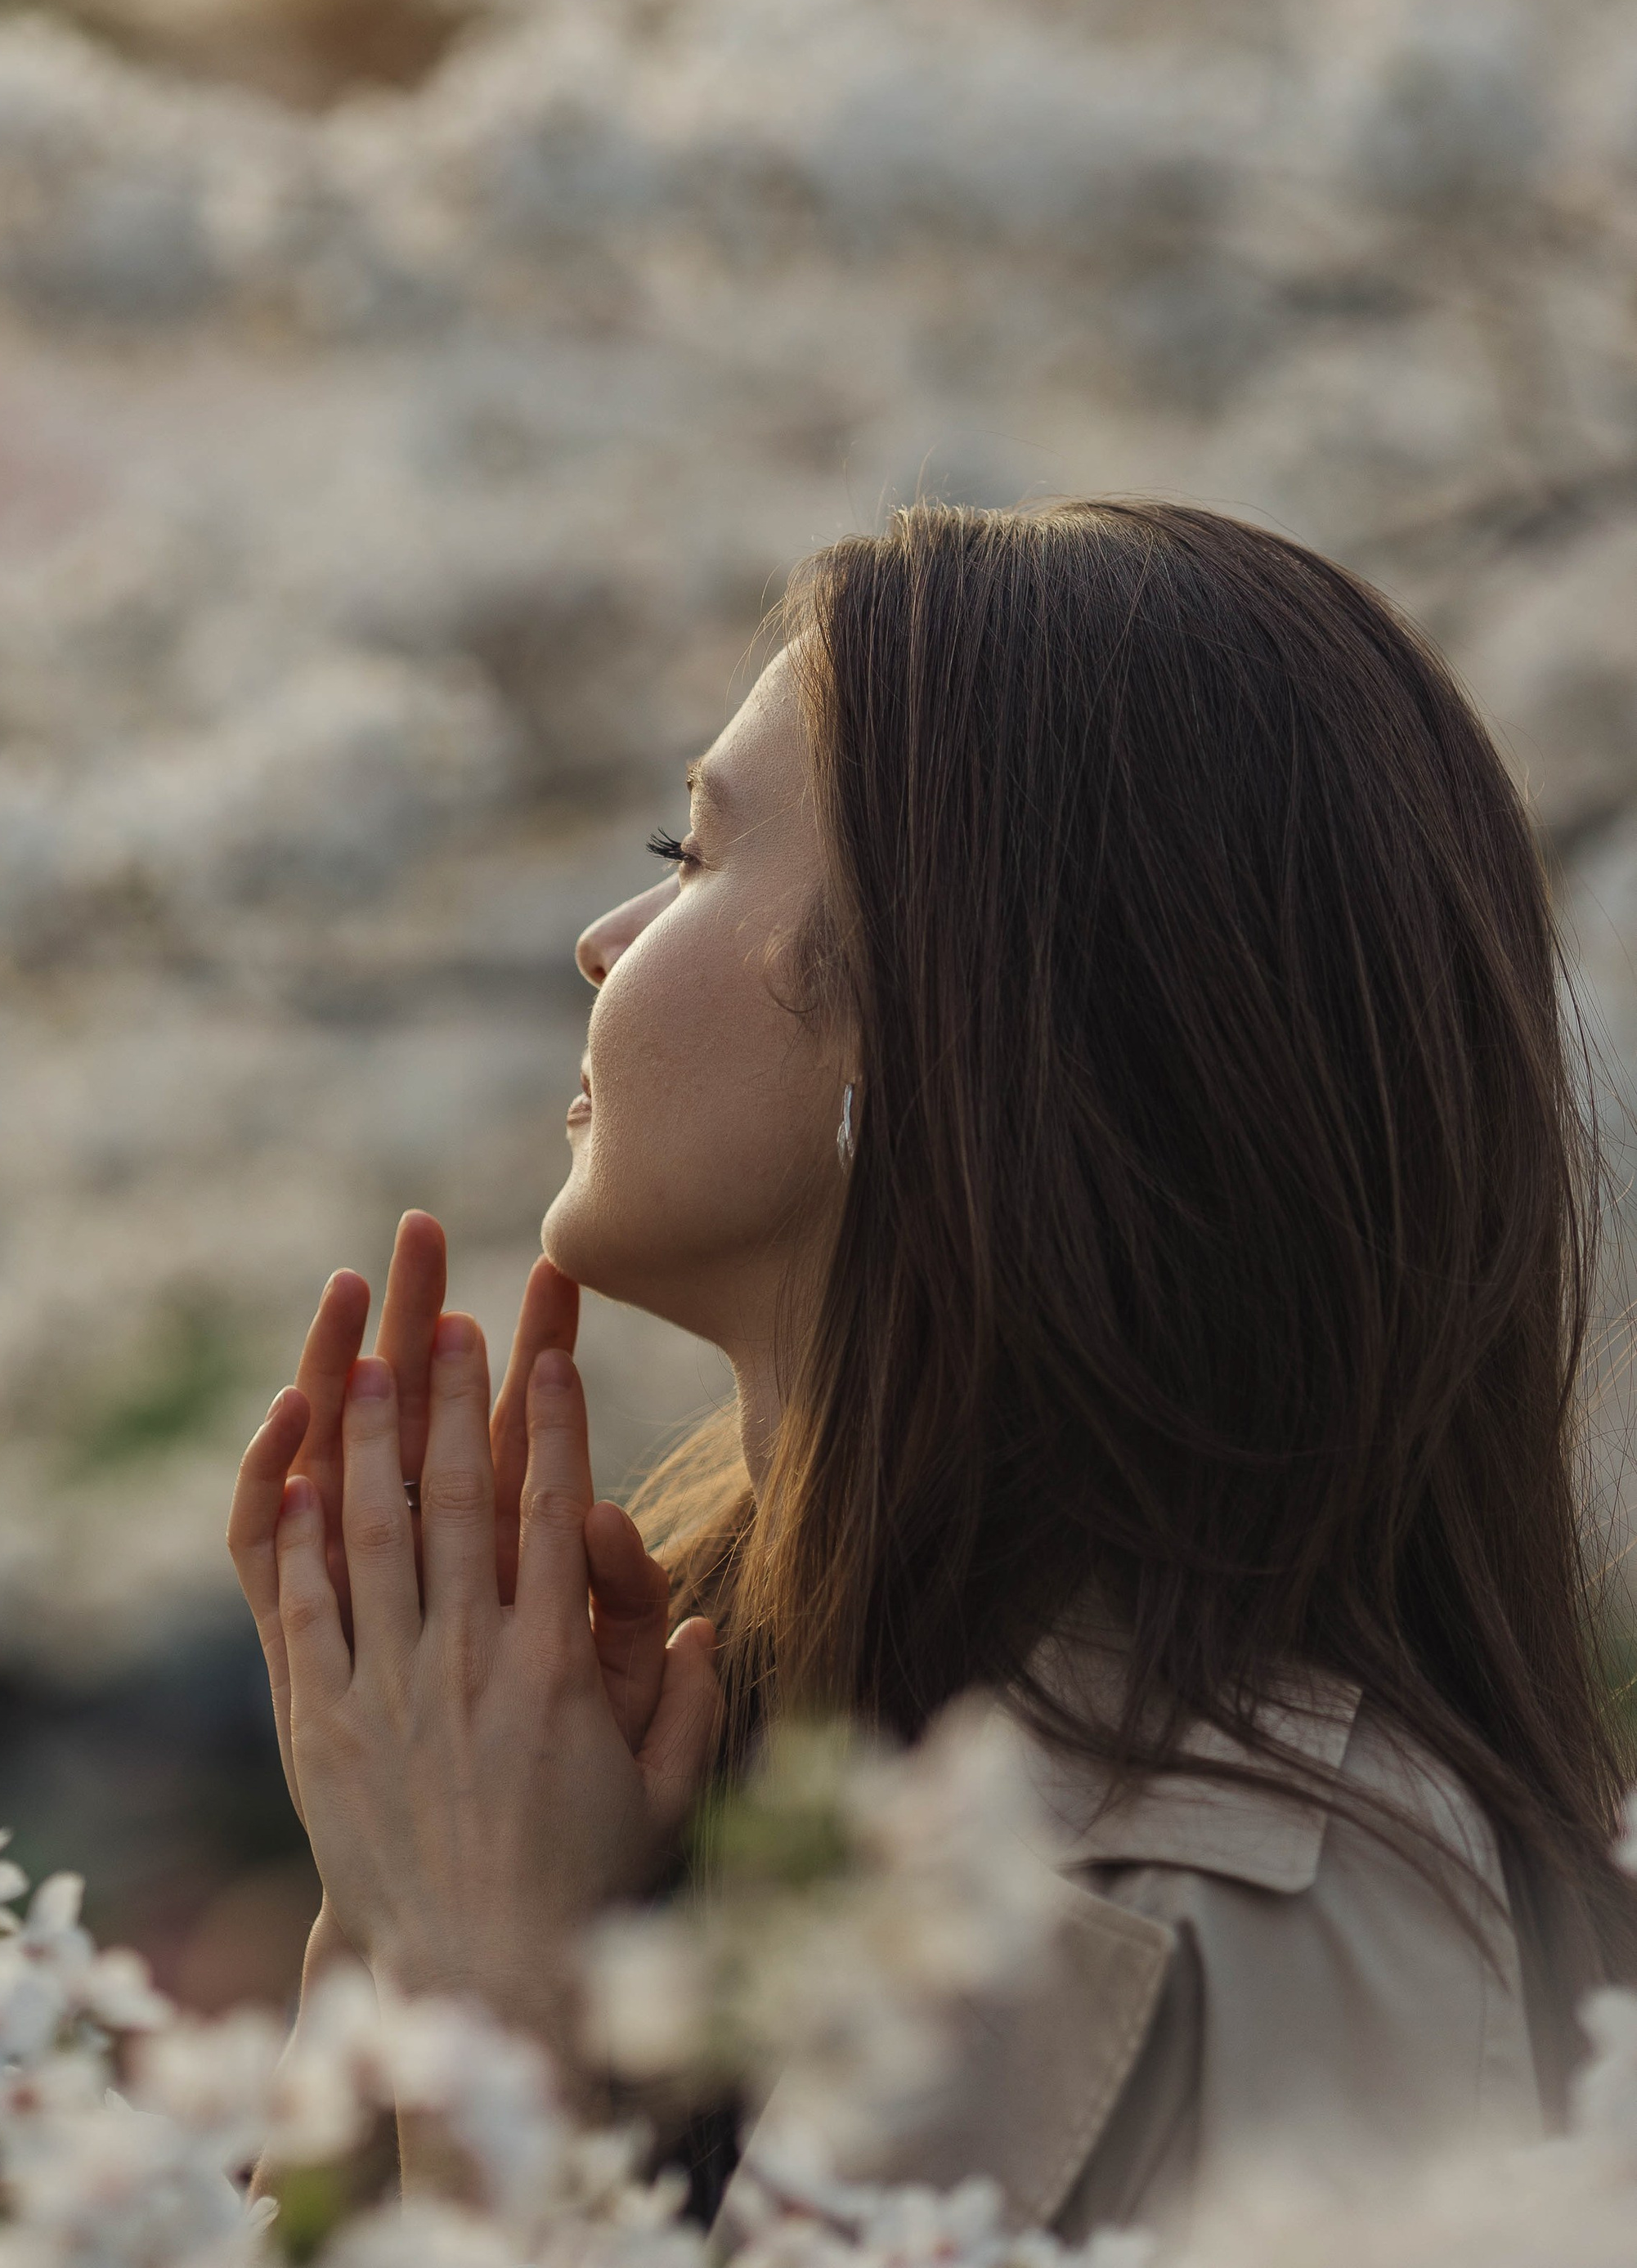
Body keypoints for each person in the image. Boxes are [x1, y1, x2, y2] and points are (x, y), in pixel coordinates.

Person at [227, 498, 1637, 2237]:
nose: (599, 936)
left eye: (687, 853)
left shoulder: (1275, 1894)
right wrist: (414, 1892)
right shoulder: (767, 1747)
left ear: (946, 1001)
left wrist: (475, 2001)